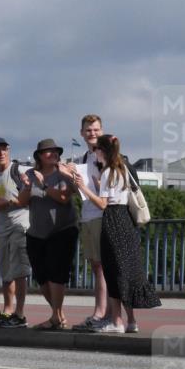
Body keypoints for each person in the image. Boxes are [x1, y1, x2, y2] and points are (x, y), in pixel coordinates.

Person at [70, 135, 161, 333]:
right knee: (125, 269)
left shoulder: (108, 171)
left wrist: (83, 186)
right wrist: (96, 182)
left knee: (112, 271)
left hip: (111, 221)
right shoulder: (122, 169)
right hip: (125, 221)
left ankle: (116, 321)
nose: (95, 154)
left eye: (96, 150)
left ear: (102, 151)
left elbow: (103, 204)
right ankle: (131, 321)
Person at [17, 139, 78, 330]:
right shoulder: (29, 174)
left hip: (62, 230)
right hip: (36, 232)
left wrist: (43, 185)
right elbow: (22, 202)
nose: (52, 154)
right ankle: (57, 314)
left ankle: (55, 316)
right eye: (47, 152)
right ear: (39, 157)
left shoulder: (64, 173)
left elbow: (63, 197)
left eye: (55, 152)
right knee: (42, 277)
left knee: (56, 274)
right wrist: (27, 187)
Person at [0, 137, 29, 328]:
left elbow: (28, 199)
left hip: (19, 225)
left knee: (19, 270)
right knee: (5, 271)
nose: (0, 153)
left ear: (9, 151)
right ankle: (7, 310)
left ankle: (20, 313)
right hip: (0, 228)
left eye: (4, 150)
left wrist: (7, 203)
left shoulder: (19, 171)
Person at [71, 114, 109, 332]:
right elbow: (83, 190)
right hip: (88, 215)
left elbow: (107, 187)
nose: (92, 133)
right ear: (82, 133)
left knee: (103, 266)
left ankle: (102, 313)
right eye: (88, 130)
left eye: (95, 129)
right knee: (96, 266)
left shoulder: (105, 155)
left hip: (102, 216)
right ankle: (101, 311)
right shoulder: (85, 157)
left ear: (101, 130)